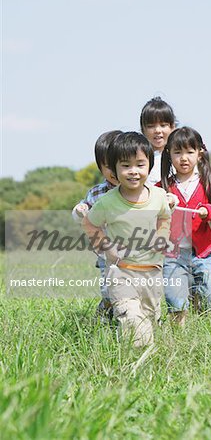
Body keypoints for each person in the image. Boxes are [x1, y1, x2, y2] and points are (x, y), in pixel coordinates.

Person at [82, 132, 171, 347]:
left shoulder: (158, 196)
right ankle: (134, 356)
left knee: (150, 315)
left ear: (149, 166)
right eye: (125, 166)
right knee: (130, 314)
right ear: (113, 169)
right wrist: (106, 248)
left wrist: (161, 237)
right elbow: (89, 223)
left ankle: (151, 356)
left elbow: (164, 217)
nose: (133, 171)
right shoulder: (107, 202)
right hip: (120, 270)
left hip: (151, 270)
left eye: (140, 165)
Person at [159, 126, 211, 326]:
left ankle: (205, 324)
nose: (183, 158)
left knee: (210, 291)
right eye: (177, 152)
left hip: (202, 253)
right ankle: (178, 333)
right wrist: (163, 204)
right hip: (173, 254)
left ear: (199, 154)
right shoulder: (163, 187)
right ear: (169, 155)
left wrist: (209, 211)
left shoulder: (206, 183)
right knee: (174, 296)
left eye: (190, 152)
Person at [72, 130, 122, 321]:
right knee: (110, 290)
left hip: (135, 252)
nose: (114, 172)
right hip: (106, 253)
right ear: (100, 168)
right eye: (108, 167)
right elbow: (82, 214)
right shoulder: (97, 193)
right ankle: (106, 315)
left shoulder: (138, 190)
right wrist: (80, 210)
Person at [140, 96, 176, 185]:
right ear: (142, 129)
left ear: (172, 127)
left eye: (163, 125)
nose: (157, 131)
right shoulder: (139, 158)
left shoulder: (179, 156)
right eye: (151, 126)